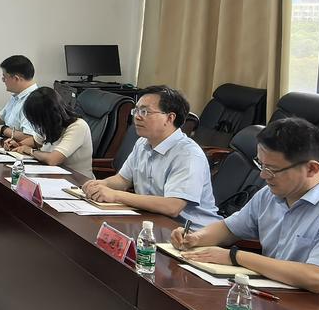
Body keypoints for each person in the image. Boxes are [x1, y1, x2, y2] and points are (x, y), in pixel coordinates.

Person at [170, 116, 319, 310]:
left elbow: (317, 278)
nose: (263, 175)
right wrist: (196, 238)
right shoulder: (269, 194)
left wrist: (235, 256)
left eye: (272, 169)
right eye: (261, 164)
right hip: (278, 298)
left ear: (311, 169)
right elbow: (229, 228)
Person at [79, 84, 217, 229]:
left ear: (169, 118)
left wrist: (115, 195)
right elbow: (123, 180)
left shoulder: (188, 155)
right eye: (136, 111)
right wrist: (101, 185)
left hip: (190, 232)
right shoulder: (142, 143)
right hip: (151, 221)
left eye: (145, 112)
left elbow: (172, 206)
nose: (137, 117)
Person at [5, 85, 94, 180]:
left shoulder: (78, 126)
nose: (37, 124)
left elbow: (53, 159)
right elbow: (35, 141)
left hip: (76, 181)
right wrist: (17, 145)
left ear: (48, 116)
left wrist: (30, 151)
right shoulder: (50, 124)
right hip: (51, 175)